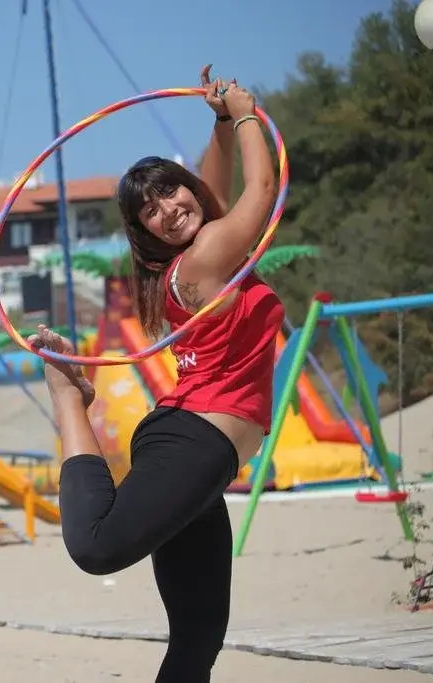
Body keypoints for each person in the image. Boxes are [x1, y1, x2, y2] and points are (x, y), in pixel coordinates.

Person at [36, 67, 282, 682]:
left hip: (199, 451)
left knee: (199, 638)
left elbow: (210, 193)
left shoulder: (200, 253)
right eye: (150, 210)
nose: (169, 210)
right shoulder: (204, 259)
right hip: (194, 441)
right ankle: (69, 398)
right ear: (142, 229)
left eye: (172, 192)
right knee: (97, 547)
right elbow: (262, 187)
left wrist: (220, 125)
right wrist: (246, 113)